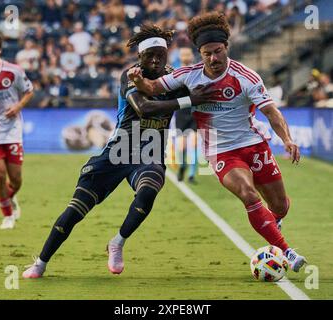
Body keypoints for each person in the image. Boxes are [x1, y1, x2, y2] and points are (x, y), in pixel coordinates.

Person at [22, 24, 217, 278]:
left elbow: (205, 89)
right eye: (150, 55)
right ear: (140, 56)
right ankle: (41, 262)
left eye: (161, 54)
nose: (156, 59)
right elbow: (144, 108)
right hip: (119, 150)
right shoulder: (130, 75)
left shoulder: (173, 78)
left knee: (147, 194)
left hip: (149, 153)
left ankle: (118, 242)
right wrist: (189, 100)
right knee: (76, 209)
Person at [127, 13, 307, 272]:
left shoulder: (246, 76)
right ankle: (287, 252)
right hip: (221, 151)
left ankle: (273, 222)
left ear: (226, 49)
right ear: (200, 53)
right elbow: (154, 88)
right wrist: (137, 81)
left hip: (254, 144)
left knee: (280, 206)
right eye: (207, 53)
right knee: (248, 193)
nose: (213, 58)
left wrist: (287, 139)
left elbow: (271, 112)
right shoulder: (189, 75)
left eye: (218, 51)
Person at [0, 30, 34, 229]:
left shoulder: (13, 71)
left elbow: (29, 91)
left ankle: (9, 198)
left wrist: (17, 107)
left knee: (16, 180)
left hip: (12, 131)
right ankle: (7, 216)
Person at [173, 47, 198, 183]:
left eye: (188, 54)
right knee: (182, 145)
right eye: (183, 54)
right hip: (181, 112)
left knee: (193, 144)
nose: (185, 56)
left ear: (192, 55)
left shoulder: (197, 72)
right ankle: (182, 166)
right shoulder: (176, 73)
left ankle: (191, 175)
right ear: (180, 57)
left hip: (194, 111)